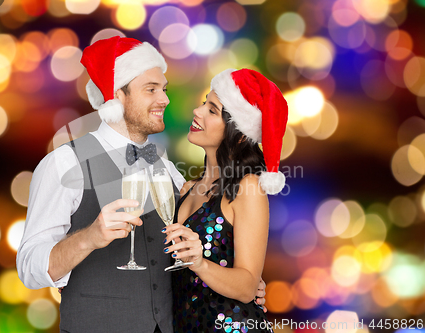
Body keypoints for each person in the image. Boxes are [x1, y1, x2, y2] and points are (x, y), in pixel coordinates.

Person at [16, 37, 267, 333]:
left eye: (164, 89)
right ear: (116, 95)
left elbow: (216, 246)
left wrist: (246, 283)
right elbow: (29, 268)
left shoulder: (171, 172)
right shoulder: (64, 164)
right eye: (151, 90)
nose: (165, 100)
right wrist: (89, 238)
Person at [163, 68, 288, 332]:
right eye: (203, 103)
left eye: (212, 110)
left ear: (239, 133)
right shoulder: (188, 188)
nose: (197, 112)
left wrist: (199, 263)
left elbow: (246, 287)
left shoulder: (249, 187)